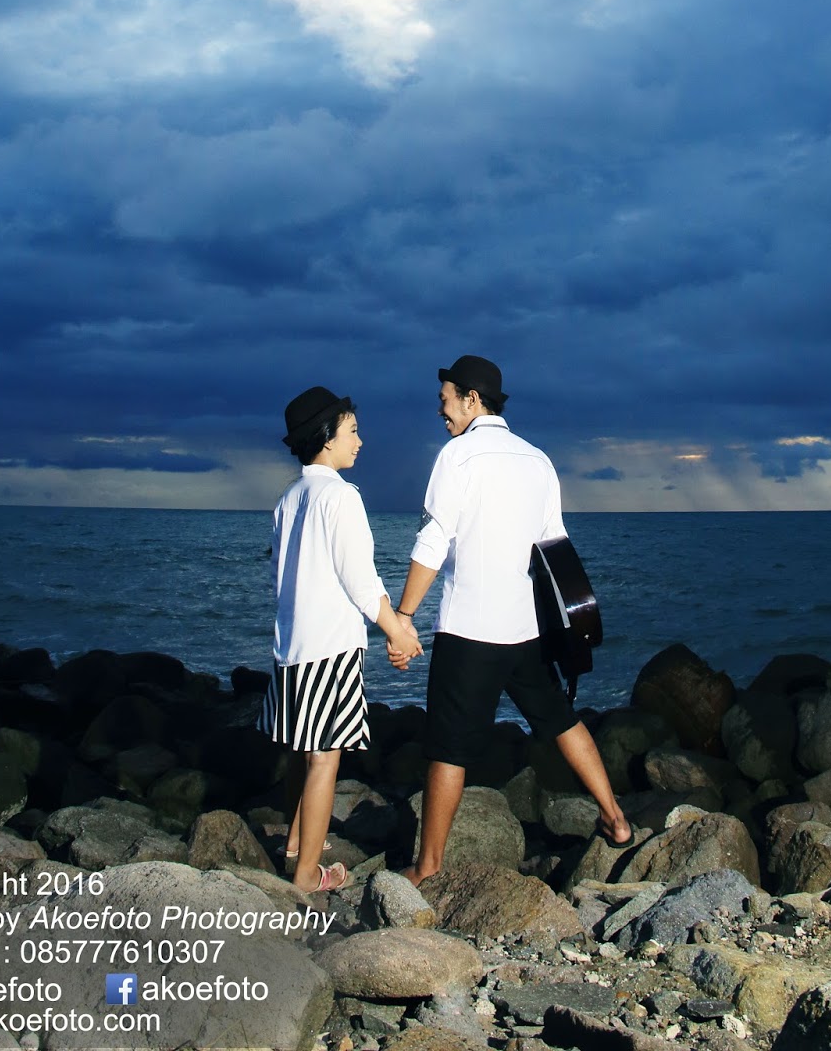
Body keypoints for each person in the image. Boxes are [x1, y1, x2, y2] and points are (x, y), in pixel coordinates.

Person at [389, 355, 631, 884]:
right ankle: (616, 819)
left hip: (470, 631)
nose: (441, 410)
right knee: (560, 720)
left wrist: (404, 615)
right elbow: (555, 548)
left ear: (472, 399)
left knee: (448, 746)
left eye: (446, 399)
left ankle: (428, 868)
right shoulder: (538, 460)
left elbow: (433, 541)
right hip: (525, 629)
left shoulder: (458, 457)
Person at [259, 385, 422, 892]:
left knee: (300, 750)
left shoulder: (290, 497)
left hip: (292, 646)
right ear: (326, 438)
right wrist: (398, 631)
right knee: (325, 757)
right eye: (352, 431)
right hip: (330, 646)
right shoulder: (341, 496)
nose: (360, 441)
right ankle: (308, 873)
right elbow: (361, 581)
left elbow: (279, 576)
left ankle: (293, 843)